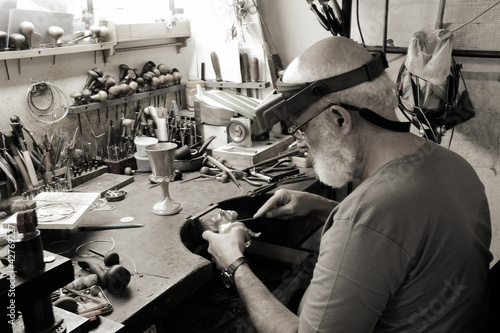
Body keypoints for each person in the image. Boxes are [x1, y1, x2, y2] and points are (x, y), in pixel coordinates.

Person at [202, 36, 492, 332]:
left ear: (340, 119)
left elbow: (375, 226)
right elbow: (398, 237)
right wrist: (326, 208)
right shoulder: (454, 165)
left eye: (301, 129)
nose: (302, 144)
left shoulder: (370, 216)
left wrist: (233, 263)